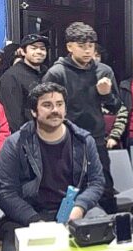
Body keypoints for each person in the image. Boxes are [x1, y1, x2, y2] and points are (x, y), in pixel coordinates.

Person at [0, 82, 106, 251]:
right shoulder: (15, 144)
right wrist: (34, 220)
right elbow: (5, 192)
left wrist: (80, 207)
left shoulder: (83, 140)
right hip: (30, 212)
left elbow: (97, 182)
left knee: (100, 232)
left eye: (59, 104)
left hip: (74, 210)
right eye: (47, 105)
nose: (55, 110)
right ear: (34, 111)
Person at [42, 22, 120, 214]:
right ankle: (66, 232)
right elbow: (43, 106)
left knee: (104, 187)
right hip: (66, 140)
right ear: (70, 47)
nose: (87, 51)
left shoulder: (104, 71)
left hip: (96, 138)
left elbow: (116, 106)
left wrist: (106, 94)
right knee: (68, 189)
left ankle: (110, 230)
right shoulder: (57, 72)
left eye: (91, 46)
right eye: (82, 46)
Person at [0, 34, 49, 132]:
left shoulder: (48, 73)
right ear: (22, 51)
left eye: (42, 49)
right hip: (27, 138)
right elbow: (13, 117)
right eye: (33, 48)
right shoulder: (11, 76)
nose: (39, 52)